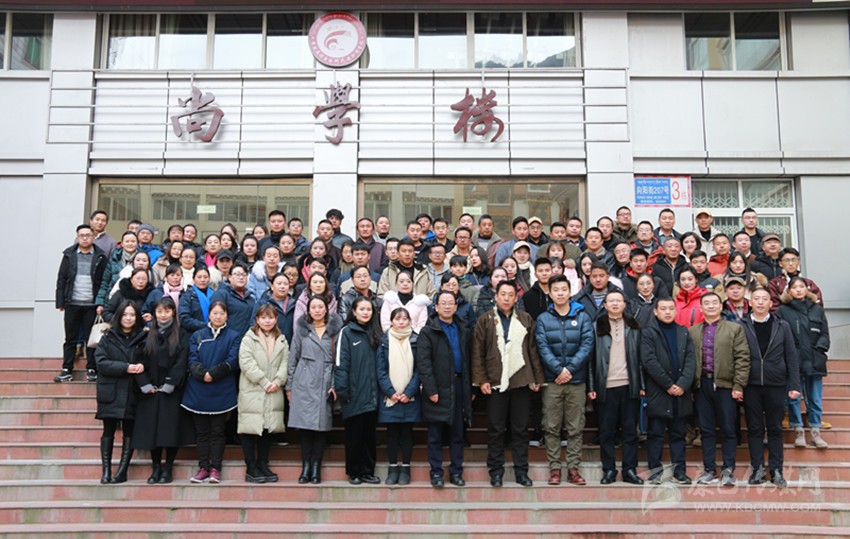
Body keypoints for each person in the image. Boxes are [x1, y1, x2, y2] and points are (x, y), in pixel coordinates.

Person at [472, 281, 544, 487]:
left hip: (521, 380)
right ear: (496, 297)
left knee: (520, 429)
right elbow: (477, 352)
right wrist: (482, 379)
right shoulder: (485, 320)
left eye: (510, 295)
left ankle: (522, 471)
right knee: (496, 428)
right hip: (495, 380)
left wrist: (537, 378)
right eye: (502, 294)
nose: (506, 298)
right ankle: (496, 471)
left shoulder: (525, 318)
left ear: (515, 298)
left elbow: (533, 350)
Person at [535, 275, 594, 485]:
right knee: (551, 426)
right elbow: (542, 347)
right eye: (556, 290)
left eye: (563, 289)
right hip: (552, 381)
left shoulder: (583, 317)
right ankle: (554, 468)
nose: (560, 293)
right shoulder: (543, 319)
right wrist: (559, 370)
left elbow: (587, 345)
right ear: (550, 293)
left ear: (570, 292)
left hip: (576, 381)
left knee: (575, 427)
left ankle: (573, 468)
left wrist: (569, 369)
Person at [740, 288, 801, 487]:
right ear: (750, 302)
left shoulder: (782, 325)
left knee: (775, 428)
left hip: (776, 383)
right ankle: (757, 469)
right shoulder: (741, 325)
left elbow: (791, 355)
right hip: (750, 384)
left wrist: (795, 384)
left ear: (771, 303)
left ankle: (776, 471)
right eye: (756, 299)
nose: (760, 302)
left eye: (764, 299)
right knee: (755, 428)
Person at [689, 293, 750, 487]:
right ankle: (709, 469)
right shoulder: (692, 331)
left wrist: (738, 385)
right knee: (706, 429)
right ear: (701, 308)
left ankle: (728, 469)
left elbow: (742, 358)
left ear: (720, 306)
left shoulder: (734, 329)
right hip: (702, 385)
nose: (711, 306)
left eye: (714, 302)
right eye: (706, 303)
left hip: (726, 386)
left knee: (728, 428)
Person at [588, 290, 644, 486]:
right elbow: (590, 360)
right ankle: (609, 470)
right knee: (606, 431)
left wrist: (642, 384)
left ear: (624, 304)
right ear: (604, 305)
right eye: (610, 301)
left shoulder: (634, 326)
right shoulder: (596, 327)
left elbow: (640, 359)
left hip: (629, 385)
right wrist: (592, 386)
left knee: (630, 431)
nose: (614, 304)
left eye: (618, 300)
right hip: (606, 386)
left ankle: (629, 470)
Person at [416, 291, 472, 488]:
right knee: (435, 435)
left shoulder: (464, 328)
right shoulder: (428, 331)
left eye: (451, 303)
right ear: (436, 307)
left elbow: (469, 359)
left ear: (456, 307)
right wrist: (431, 389)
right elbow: (423, 363)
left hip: (459, 385)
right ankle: (436, 472)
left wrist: (469, 388)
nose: (447, 306)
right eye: (443, 303)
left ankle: (456, 472)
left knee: (457, 433)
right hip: (437, 388)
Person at [133, 297, 190, 485]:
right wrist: (144, 384)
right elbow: (139, 360)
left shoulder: (181, 334)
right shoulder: (147, 334)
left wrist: (171, 383)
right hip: (150, 390)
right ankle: (155, 467)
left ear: (173, 312)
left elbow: (182, 361)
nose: (163, 315)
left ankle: (168, 467)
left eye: (167, 311)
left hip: (171, 390)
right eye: (159, 311)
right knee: (152, 430)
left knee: (169, 430)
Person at [286, 296, 343, 484]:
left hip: (325, 380)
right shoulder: (302, 331)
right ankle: (306, 468)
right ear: (308, 310)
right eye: (313, 307)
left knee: (321, 427)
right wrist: (289, 386)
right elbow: (292, 359)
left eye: (320, 307)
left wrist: (334, 384)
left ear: (327, 309)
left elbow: (338, 361)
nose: (317, 310)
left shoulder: (335, 331)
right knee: (305, 428)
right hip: (304, 380)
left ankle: (316, 468)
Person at [182, 301, 240, 484]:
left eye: (222, 313)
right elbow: (192, 358)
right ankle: (203, 468)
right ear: (209, 315)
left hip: (222, 389)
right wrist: (202, 374)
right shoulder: (198, 335)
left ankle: (215, 468)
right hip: (198, 389)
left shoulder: (234, 336)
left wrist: (213, 374)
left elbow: (232, 360)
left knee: (217, 432)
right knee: (202, 433)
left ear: (227, 315)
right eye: (215, 313)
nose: (218, 316)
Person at [640, 297, 696, 485]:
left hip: (680, 393)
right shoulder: (649, 332)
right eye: (663, 309)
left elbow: (690, 360)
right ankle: (655, 472)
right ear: (656, 311)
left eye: (671, 308)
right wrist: (668, 385)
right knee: (655, 435)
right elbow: (649, 361)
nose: (667, 312)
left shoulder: (683, 331)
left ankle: (679, 472)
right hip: (658, 391)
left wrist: (682, 384)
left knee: (678, 435)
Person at [94, 300, 146, 484]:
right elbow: (101, 362)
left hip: (132, 391)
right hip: (111, 390)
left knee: (129, 432)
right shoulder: (107, 336)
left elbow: (149, 360)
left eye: (132, 315)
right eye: (125, 314)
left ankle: (122, 471)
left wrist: (142, 366)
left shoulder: (143, 337)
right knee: (108, 431)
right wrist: (126, 367)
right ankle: (106, 471)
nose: (128, 318)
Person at [237, 304, 290, 484]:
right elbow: (246, 362)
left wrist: (277, 381)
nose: (267, 321)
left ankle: (263, 463)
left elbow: (285, 363)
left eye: (271, 317)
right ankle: (251, 466)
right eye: (263, 318)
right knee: (249, 427)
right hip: (253, 389)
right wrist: (264, 381)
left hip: (273, 389)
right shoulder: (249, 338)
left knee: (268, 427)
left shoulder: (281, 339)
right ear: (257, 320)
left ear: (276, 319)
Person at [779, 277, 831, 449]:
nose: (799, 290)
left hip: (815, 360)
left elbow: (824, 333)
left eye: (802, 286)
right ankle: (798, 430)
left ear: (807, 289)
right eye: (795, 287)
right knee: (793, 398)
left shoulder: (817, 310)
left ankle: (815, 432)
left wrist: (820, 348)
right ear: (789, 291)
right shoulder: (783, 310)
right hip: (793, 361)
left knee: (815, 398)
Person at [335, 297, 383, 485]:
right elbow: (340, 363)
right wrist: (343, 391)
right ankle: (354, 472)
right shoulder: (346, 332)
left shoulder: (376, 332)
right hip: (353, 394)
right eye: (361, 309)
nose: (365, 312)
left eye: (368, 309)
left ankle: (367, 471)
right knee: (354, 436)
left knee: (369, 436)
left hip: (372, 395)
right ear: (354, 311)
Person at [55, 224, 109, 383]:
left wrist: (101, 302)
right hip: (72, 303)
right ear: (77, 237)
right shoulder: (69, 255)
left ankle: (91, 368)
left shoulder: (100, 256)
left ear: (93, 237)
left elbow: (104, 281)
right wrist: (60, 301)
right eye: (82, 235)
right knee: (70, 338)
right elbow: (62, 278)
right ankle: (67, 369)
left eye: (88, 235)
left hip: (92, 305)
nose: (85, 238)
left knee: (91, 339)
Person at [376, 307, 421, 485]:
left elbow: (420, 369)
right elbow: (380, 370)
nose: (401, 322)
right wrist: (391, 392)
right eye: (397, 319)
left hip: (410, 396)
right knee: (392, 434)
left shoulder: (416, 340)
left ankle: (406, 468)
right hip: (390, 397)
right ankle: (393, 468)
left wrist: (408, 392)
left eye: (404, 319)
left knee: (407, 433)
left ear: (410, 321)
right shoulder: (384, 341)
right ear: (391, 321)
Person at [210, 263, 257, 337]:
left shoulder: (251, 299)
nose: (241, 277)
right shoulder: (222, 294)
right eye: (237, 274)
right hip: (226, 338)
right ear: (229, 277)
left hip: (247, 339)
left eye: (244, 275)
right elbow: (215, 319)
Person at [97, 231, 139, 309]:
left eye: (133, 241)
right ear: (122, 244)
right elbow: (105, 281)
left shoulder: (142, 259)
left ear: (137, 243)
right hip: (113, 299)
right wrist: (100, 302)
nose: (130, 244)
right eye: (127, 241)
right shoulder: (114, 258)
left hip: (134, 301)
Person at [179, 267, 215, 335]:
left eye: (205, 277)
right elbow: (184, 319)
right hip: (194, 335)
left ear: (209, 279)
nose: (202, 280)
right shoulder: (187, 296)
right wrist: (206, 326)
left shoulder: (215, 294)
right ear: (193, 279)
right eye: (199, 277)